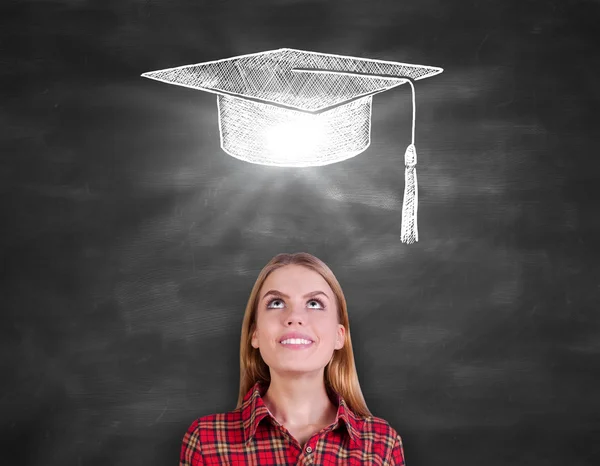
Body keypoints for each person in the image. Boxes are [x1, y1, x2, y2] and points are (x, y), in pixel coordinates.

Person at [179, 252, 406, 465]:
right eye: (276, 303)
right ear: (255, 334)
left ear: (339, 337)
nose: (295, 317)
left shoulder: (381, 445)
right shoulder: (207, 442)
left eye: (314, 303)